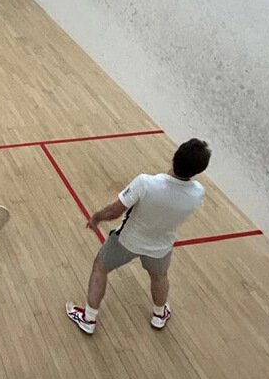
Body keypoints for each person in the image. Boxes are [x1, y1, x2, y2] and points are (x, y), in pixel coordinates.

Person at [66, 138, 212, 333]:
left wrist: (96, 218)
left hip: (127, 241)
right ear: (198, 171)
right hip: (161, 248)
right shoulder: (198, 192)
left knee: (100, 267)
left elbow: (114, 212)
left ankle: (89, 319)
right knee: (159, 277)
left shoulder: (146, 183)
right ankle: (160, 315)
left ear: (174, 156)